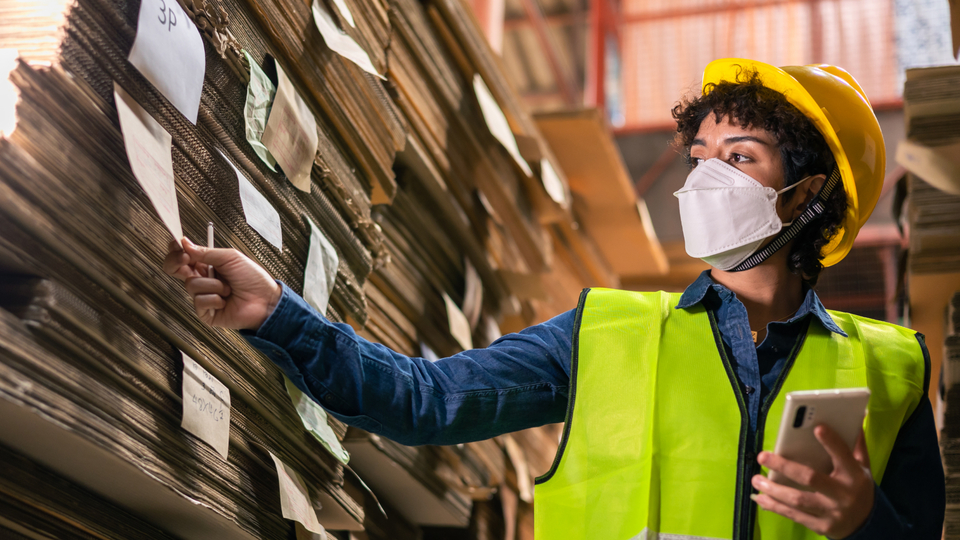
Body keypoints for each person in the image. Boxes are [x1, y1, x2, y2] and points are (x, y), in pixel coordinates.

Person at [164, 59, 945, 539]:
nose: (704, 179)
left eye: (739, 157)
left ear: (807, 197)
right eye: (699, 155)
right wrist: (278, 314)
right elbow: (423, 401)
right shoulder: (605, 333)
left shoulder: (894, 368)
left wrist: (862, 524)